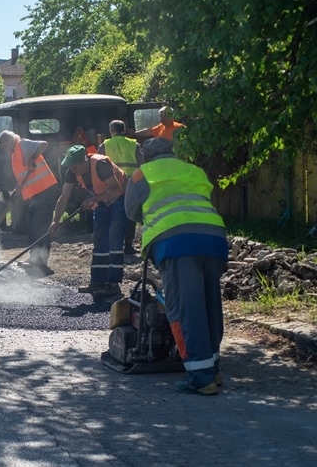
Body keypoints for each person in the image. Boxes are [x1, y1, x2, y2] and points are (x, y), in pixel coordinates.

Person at [125, 137, 228, 396]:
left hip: (176, 241)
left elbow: (131, 212)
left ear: (145, 156)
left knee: (185, 308)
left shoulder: (141, 175)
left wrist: (150, 219)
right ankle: (212, 368)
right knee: (209, 304)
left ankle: (200, 377)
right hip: (214, 238)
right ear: (172, 152)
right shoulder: (194, 170)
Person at [53, 145, 128, 298]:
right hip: (102, 202)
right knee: (100, 241)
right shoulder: (72, 172)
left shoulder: (101, 164)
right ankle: (98, 282)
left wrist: (93, 199)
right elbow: (63, 198)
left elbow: (116, 189)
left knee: (114, 241)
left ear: (83, 162)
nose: (72, 171)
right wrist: (55, 221)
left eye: (74, 167)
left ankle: (113, 284)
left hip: (120, 200)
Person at [0, 130, 58, 277]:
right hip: (37, 194)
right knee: (30, 224)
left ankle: (42, 263)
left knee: (41, 227)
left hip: (46, 190)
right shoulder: (14, 155)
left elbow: (44, 145)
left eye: (5, 146)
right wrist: (16, 193)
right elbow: (22, 178)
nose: (5, 150)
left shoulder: (23, 144)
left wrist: (32, 158)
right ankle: (34, 259)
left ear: (10, 141)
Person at [98, 119, 143, 255]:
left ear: (111, 131)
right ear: (124, 131)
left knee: (113, 214)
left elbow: (98, 165)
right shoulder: (134, 144)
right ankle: (128, 246)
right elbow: (142, 165)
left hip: (112, 184)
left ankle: (114, 246)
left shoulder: (104, 145)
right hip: (130, 184)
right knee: (130, 215)